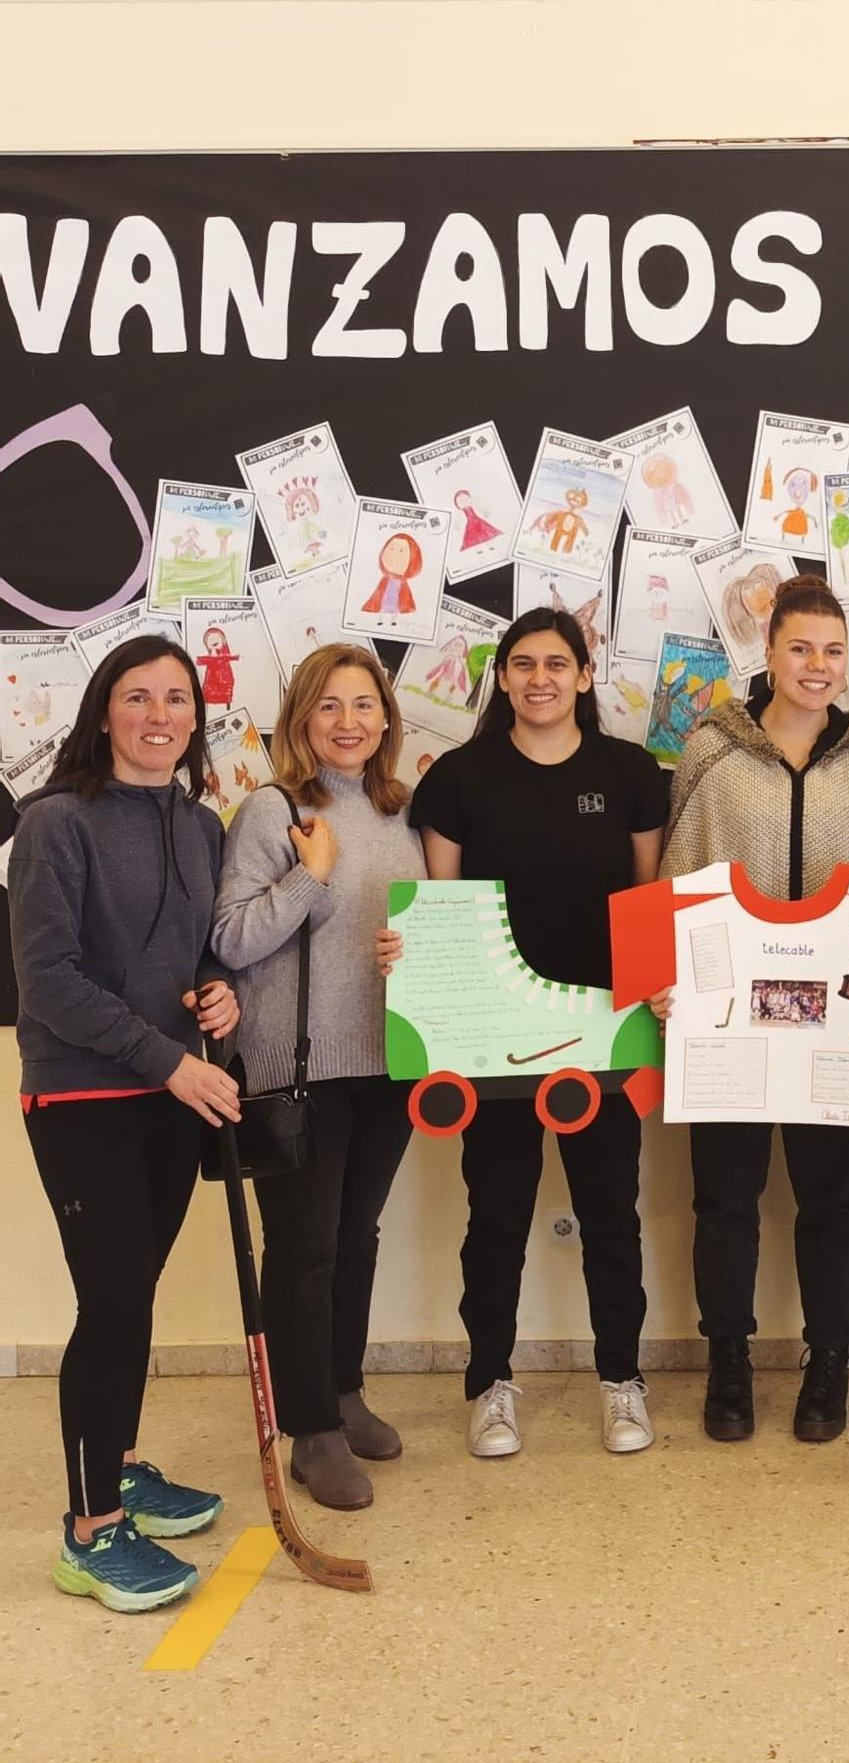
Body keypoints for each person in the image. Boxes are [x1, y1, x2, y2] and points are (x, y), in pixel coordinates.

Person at [12, 636, 242, 1612]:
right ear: (104, 710)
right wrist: (171, 1061)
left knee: (134, 1291)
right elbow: (50, 981)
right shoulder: (54, 823)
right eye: (138, 696)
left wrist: (221, 996)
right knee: (109, 1302)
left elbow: (197, 955)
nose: (159, 714)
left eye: (176, 699)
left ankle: (123, 1460)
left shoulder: (201, 825)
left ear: (196, 717)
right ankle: (89, 1529)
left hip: (170, 1096)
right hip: (84, 1096)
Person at [409, 608, 667, 1460]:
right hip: (494, 1044)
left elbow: (643, 908)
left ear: (586, 677)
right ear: (504, 679)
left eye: (558, 664)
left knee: (611, 1216)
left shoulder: (630, 774)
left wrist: (654, 998)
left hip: (602, 1038)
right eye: (523, 665)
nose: (540, 679)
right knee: (496, 1217)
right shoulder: (457, 778)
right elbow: (443, 920)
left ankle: (621, 1380)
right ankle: (489, 1383)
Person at [657, 574, 849, 1443]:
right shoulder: (711, 750)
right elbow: (676, 878)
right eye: (801, 648)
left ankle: (829, 1361)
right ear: (769, 652)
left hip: (838, 1020)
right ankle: (728, 1361)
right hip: (731, 1022)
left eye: (834, 652)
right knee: (726, 1200)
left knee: (834, 1203)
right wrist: (665, 978)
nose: (818, 666)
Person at [211, 644, 423, 1511]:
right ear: (302, 718)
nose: (349, 723)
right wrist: (312, 874)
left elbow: (414, 921)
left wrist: (415, 950)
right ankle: (311, 1432)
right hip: (298, 1072)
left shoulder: (399, 811)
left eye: (364, 706)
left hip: (389, 1064)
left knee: (357, 1240)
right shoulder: (272, 811)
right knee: (304, 1252)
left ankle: (343, 1390)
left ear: (385, 719)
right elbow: (231, 939)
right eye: (329, 706)